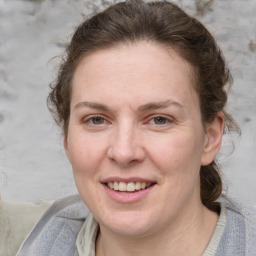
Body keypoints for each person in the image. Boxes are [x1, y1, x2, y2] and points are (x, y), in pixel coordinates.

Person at [0, 0, 255, 255]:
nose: (123, 152)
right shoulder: (20, 239)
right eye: (97, 120)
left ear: (210, 138)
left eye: (159, 119)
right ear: (67, 138)